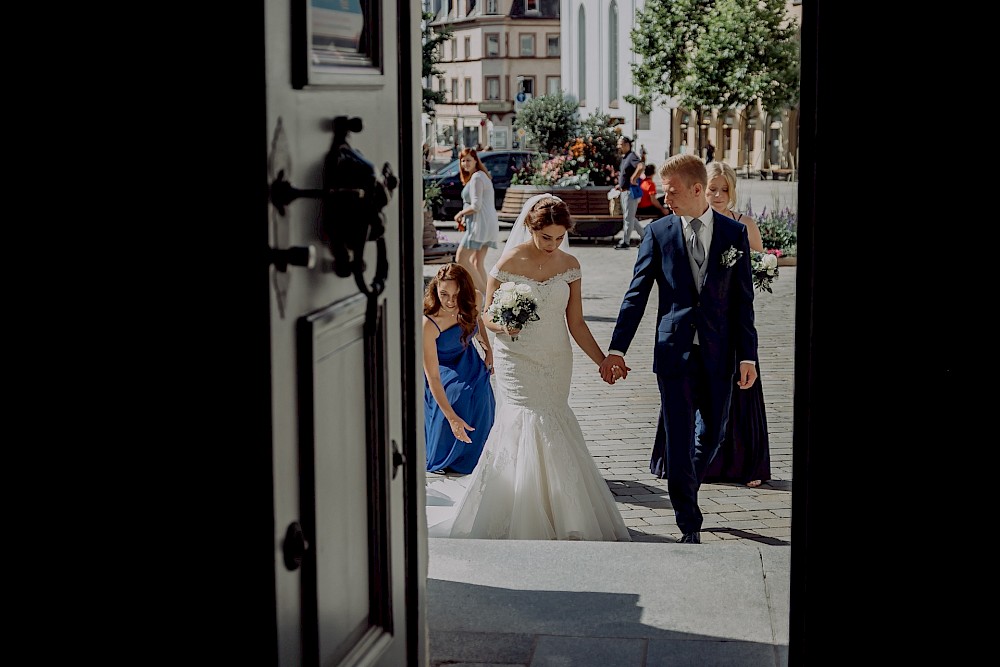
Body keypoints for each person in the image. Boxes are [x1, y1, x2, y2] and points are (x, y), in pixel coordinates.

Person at [436, 195, 631, 541]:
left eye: (558, 238)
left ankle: (562, 511)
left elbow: (577, 323)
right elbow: (488, 315)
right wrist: (503, 327)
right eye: (546, 238)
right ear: (530, 227)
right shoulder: (508, 261)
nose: (552, 245)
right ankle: (516, 508)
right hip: (517, 358)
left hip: (555, 357)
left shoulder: (570, 265)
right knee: (521, 422)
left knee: (554, 419)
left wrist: (603, 360)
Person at [599, 154, 759, 544]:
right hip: (674, 353)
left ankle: (685, 482)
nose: (663, 198)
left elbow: (742, 301)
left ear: (696, 189)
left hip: (721, 352)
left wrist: (747, 355)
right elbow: (636, 294)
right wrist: (617, 348)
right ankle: (689, 519)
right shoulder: (659, 233)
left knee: (714, 433)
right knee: (679, 436)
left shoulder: (732, 234)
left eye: (671, 192)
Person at [423, 263, 497, 475]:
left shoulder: (474, 298)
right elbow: (433, 377)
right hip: (441, 364)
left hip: (467, 356)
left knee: (481, 390)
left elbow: (477, 321)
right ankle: (446, 454)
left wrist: (487, 348)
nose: (450, 301)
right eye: (444, 293)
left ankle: (477, 453)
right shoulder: (429, 322)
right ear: (435, 289)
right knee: (458, 394)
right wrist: (453, 419)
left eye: (456, 295)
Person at [452, 148, 500, 294]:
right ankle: (490, 298)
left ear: (475, 161)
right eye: (462, 160)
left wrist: (459, 214)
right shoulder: (481, 176)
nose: (465, 163)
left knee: (461, 258)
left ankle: (483, 295)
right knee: (476, 262)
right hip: (487, 224)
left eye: (468, 160)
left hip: (480, 226)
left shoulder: (477, 178)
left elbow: (476, 205)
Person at [612, 136, 645, 250]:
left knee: (628, 218)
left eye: (620, 144)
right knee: (630, 217)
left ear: (627, 145)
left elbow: (641, 166)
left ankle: (625, 242)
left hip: (630, 192)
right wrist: (620, 185)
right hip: (624, 191)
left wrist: (634, 179)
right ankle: (646, 237)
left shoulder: (632, 156)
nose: (618, 146)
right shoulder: (625, 157)